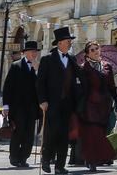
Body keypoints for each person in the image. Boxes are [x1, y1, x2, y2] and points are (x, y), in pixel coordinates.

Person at [37, 27, 81, 174]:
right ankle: (46, 159)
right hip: (51, 103)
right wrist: (42, 100)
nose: (70, 44)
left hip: (67, 104)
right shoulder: (47, 59)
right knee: (52, 133)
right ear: (60, 43)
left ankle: (60, 166)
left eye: (70, 41)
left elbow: (77, 79)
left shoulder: (72, 59)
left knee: (63, 135)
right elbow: (40, 82)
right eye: (68, 41)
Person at [78, 41, 117, 172]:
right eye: (92, 50)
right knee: (93, 131)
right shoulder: (83, 68)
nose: (96, 51)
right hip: (89, 104)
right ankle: (91, 160)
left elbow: (112, 87)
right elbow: (81, 89)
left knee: (100, 131)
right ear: (87, 53)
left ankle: (94, 157)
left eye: (97, 48)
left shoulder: (107, 66)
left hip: (104, 105)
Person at [3, 41, 42, 168]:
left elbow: (42, 86)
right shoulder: (16, 66)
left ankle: (24, 157)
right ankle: (14, 156)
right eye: (32, 51)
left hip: (32, 107)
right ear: (25, 53)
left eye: (36, 52)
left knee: (29, 134)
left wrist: (37, 71)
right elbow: (8, 87)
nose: (34, 54)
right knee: (18, 132)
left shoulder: (38, 67)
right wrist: (6, 105)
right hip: (18, 107)